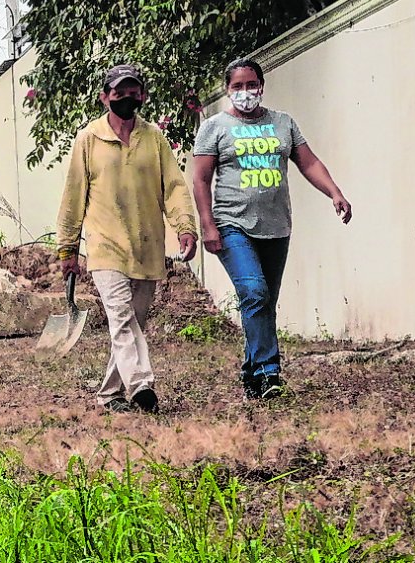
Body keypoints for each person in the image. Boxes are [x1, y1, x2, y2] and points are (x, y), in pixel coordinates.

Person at [192, 58, 351, 401]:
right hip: (232, 223)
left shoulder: (282, 123)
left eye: (251, 85)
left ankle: (251, 372)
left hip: (276, 226)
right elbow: (201, 178)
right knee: (254, 292)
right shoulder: (215, 127)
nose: (245, 92)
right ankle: (268, 372)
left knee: (264, 301)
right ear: (227, 89)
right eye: (237, 86)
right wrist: (208, 225)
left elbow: (308, 161)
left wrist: (334, 192)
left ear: (261, 87)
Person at [57, 65, 199, 414]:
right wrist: (68, 247)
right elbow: (73, 196)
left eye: (133, 91)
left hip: (147, 245)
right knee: (121, 317)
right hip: (105, 247)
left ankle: (110, 393)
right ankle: (141, 385)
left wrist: (185, 226)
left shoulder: (154, 139)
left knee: (133, 322)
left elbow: (175, 188)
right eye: (118, 92)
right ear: (105, 97)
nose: (126, 98)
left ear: (143, 96)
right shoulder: (89, 139)